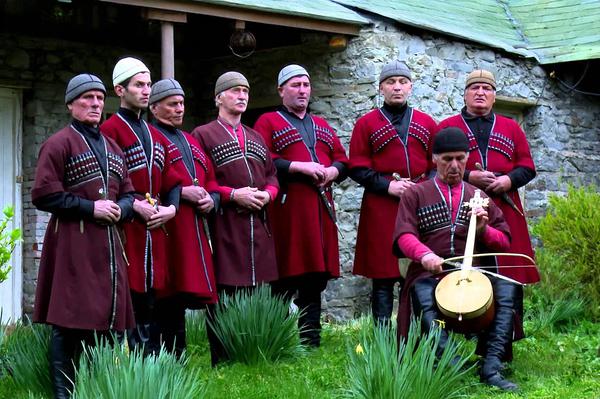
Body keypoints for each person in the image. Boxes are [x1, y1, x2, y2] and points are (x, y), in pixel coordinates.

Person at [32, 74, 135, 398]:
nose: (94, 104)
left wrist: (121, 207)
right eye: (86, 98)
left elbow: (130, 195)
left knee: (105, 324)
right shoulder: (58, 143)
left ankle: (95, 388)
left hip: (109, 251)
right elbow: (44, 195)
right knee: (67, 323)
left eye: (99, 98)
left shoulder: (114, 147)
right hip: (72, 246)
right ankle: (64, 394)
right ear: (70, 104)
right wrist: (90, 208)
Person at [393, 127, 520, 391]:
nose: (454, 165)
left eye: (460, 158)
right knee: (422, 294)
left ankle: (491, 365)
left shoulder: (479, 196)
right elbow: (404, 236)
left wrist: (485, 230)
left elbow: (505, 240)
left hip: (473, 272)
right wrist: (424, 254)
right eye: (447, 159)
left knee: (508, 288)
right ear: (434, 159)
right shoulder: (415, 194)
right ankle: (453, 362)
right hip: (429, 272)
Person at [254, 64, 348, 347]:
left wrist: (332, 172)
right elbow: (263, 159)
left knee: (314, 276)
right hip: (288, 211)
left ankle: (310, 339)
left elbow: (343, 160)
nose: (302, 91)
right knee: (285, 274)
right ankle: (275, 338)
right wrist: (298, 167)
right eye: (295, 85)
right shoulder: (268, 122)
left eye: (306, 85)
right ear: (281, 90)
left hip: (319, 211)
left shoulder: (321, 125)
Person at [191, 71, 279, 365]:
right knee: (226, 289)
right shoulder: (203, 135)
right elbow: (202, 180)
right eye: (235, 91)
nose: (242, 96)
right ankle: (223, 357)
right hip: (225, 224)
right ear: (219, 97)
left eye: (245, 91)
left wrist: (268, 194)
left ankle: (252, 354)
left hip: (258, 223)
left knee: (258, 290)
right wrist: (232, 195)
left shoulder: (255, 136)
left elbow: (272, 175)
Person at [438, 69, 540, 321]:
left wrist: (508, 180)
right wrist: (468, 177)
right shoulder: (447, 127)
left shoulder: (511, 127)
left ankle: (506, 334)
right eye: (475, 88)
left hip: (506, 209)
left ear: (494, 96)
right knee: (463, 268)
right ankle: (459, 328)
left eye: (487, 89)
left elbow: (527, 167)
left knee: (508, 270)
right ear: (464, 94)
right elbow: (434, 168)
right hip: (460, 207)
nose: (480, 93)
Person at [101, 57, 182, 355]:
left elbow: (173, 181)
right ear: (120, 90)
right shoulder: (110, 130)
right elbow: (108, 182)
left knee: (152, 299)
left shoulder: (155, 133)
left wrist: (171, 210)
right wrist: (135, 205)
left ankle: (148, 366)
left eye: (148, 84)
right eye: (139, 85)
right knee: (127, 296)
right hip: (127, 231)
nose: (146, 91)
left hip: (155, 228)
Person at [349, 60, 438, 326]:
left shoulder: (426, 122)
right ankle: (383, 335)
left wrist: (422, 189)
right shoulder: (366, 124)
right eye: (390, 82)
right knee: (383, 273)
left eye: (402, 82)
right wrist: (389, 186)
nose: (396, 87)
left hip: (418, 206)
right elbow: (357, 167)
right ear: (381, 88)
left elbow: (436, 165)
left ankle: (421, 333)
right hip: (381, 206)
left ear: (410, 87)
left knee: (418, 270)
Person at [148, 78, 219, 358]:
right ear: (154, 108)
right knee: (165, 294)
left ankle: (178, 357)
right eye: (172, 104)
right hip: (168, 228)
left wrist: (210, 199)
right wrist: (182, 192)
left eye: (181, 103)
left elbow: (210, 178)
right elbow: (150, 180)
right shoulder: (152, 138)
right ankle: (159, 360)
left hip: (193, 228)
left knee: (178, 299)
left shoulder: (191, 140)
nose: (179, 109)